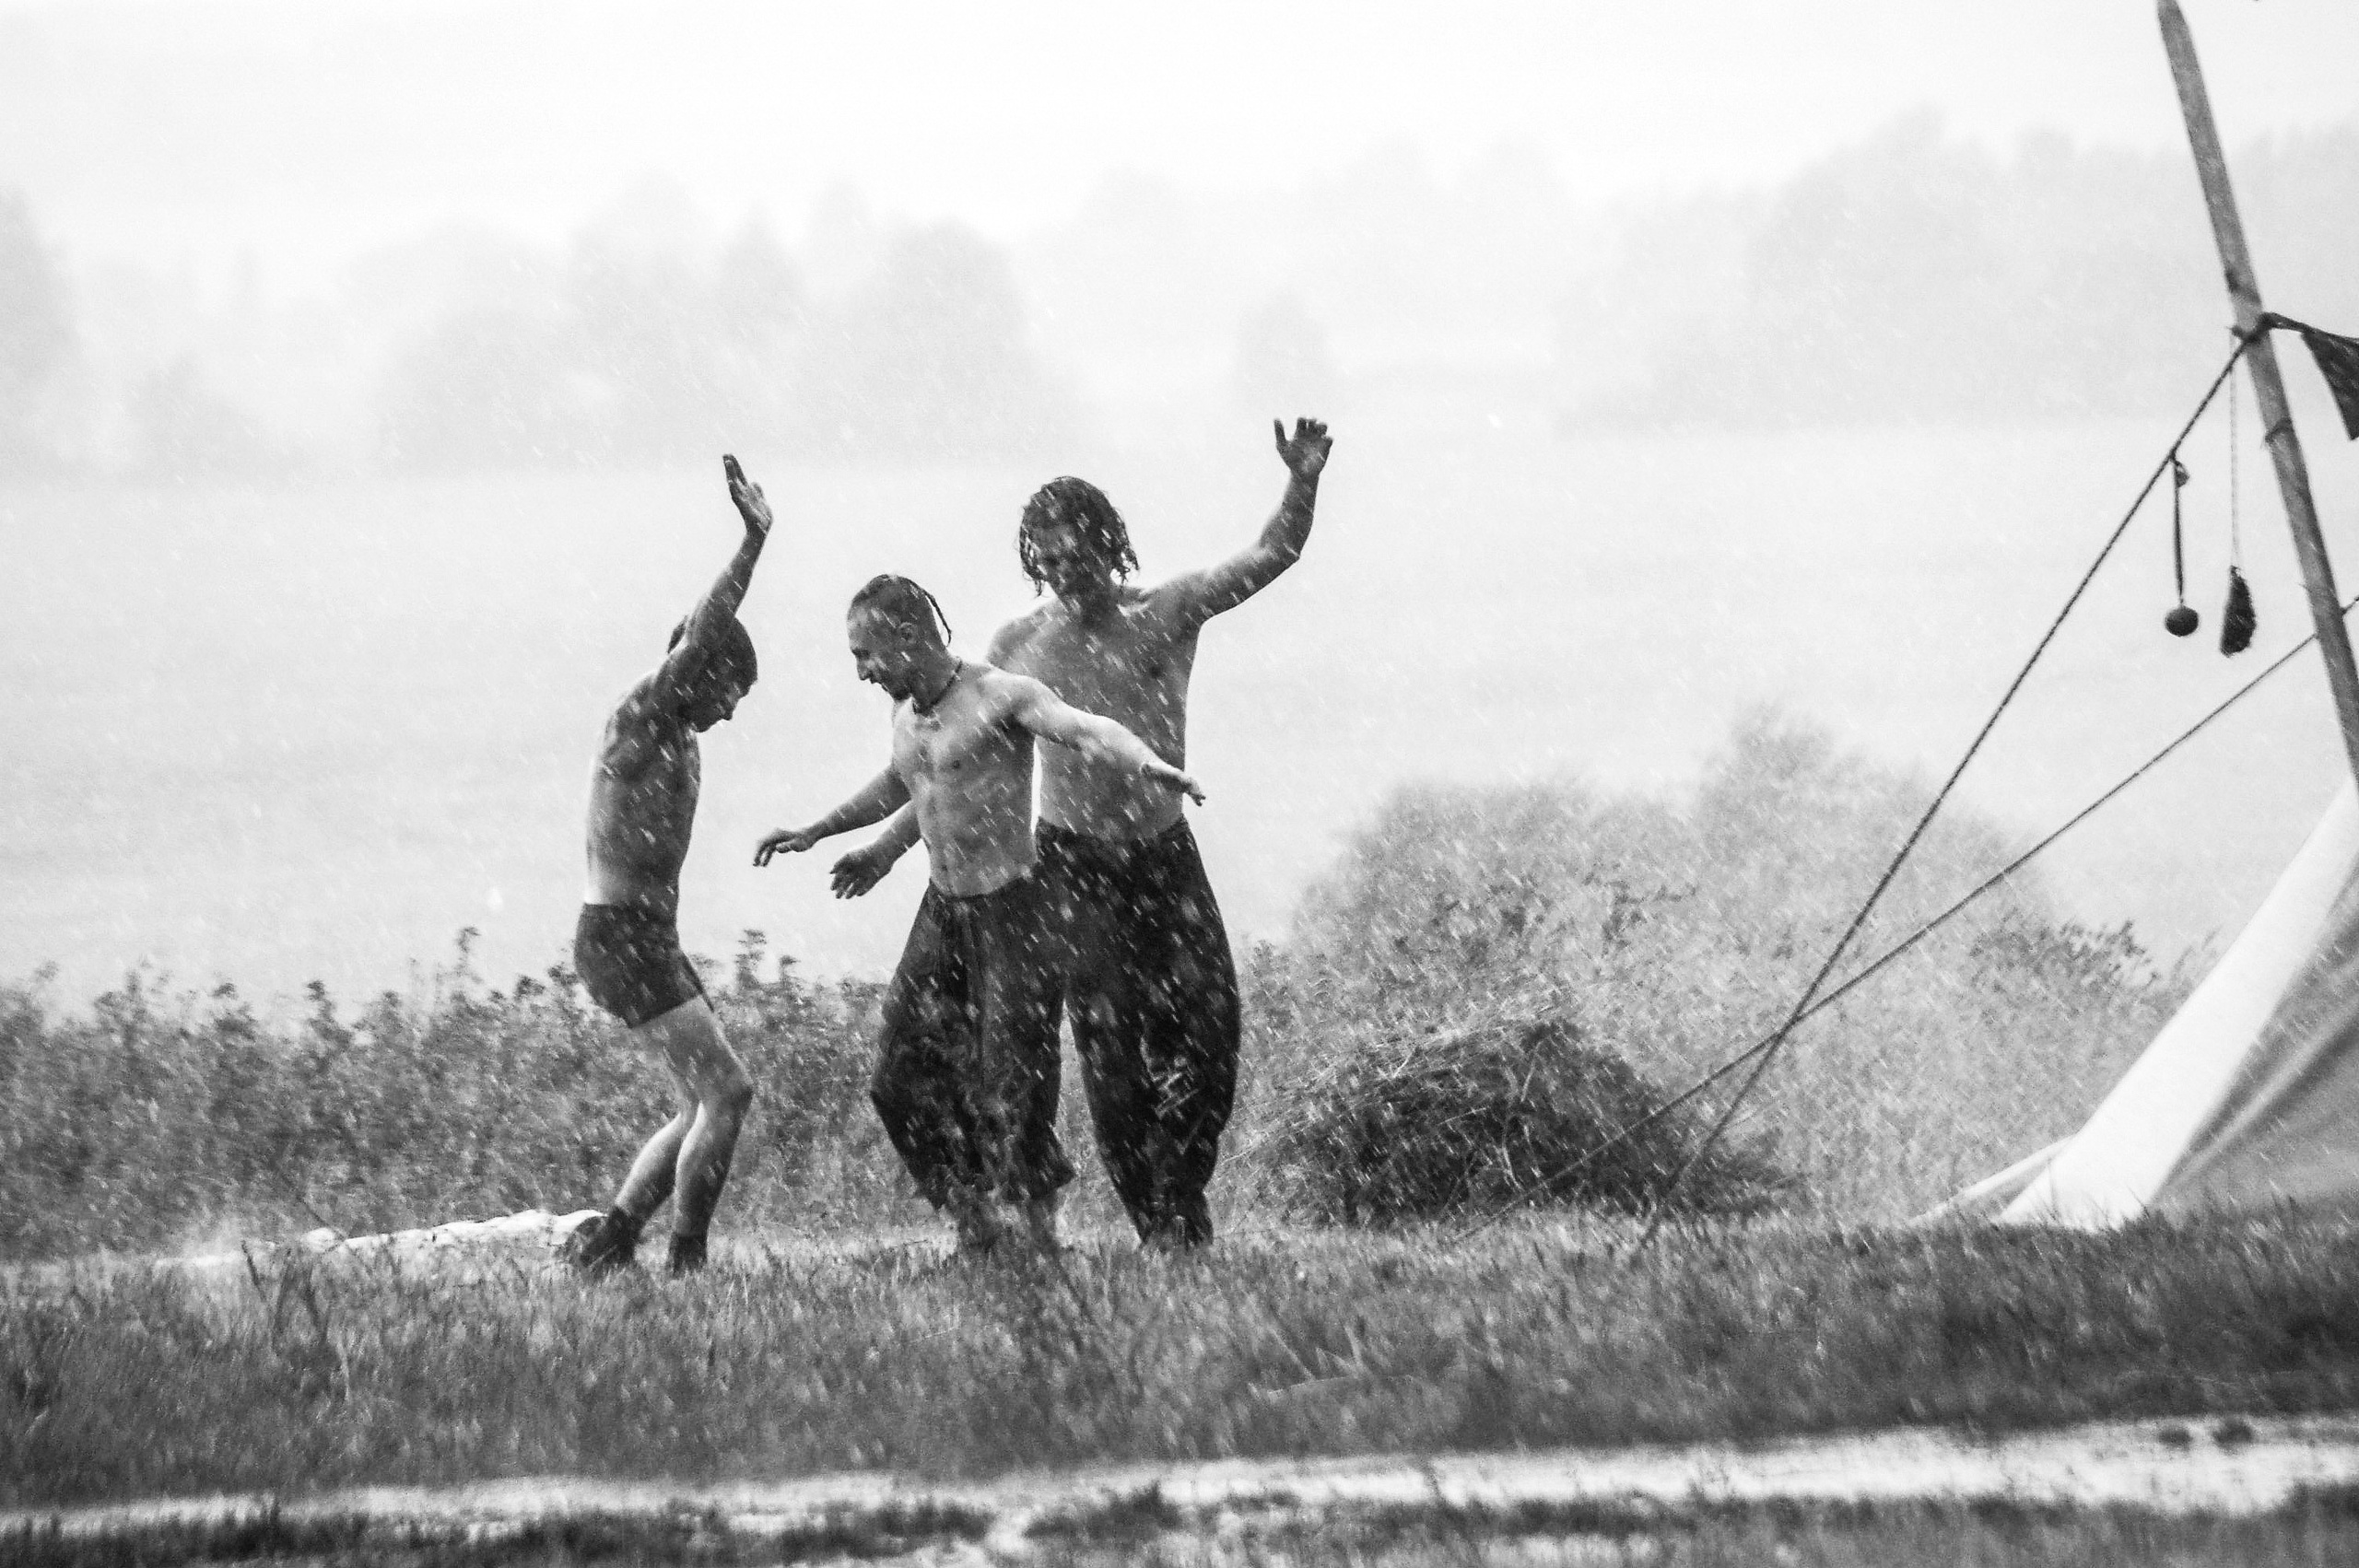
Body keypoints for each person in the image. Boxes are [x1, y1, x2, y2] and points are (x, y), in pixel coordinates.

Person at [833, 418, 1332, 1247]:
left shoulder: (1168, 610)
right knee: (1110, 1053)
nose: (1067, 575)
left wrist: (1302, 481)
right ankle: (1161, 1226)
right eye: (1050, 561)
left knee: (1210, 1031)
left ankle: (1182, 1190)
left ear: (1112, 546)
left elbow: (1272, 555)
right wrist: (888, 847)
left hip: (1164, 854)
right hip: (1072, 867)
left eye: (1079, 556)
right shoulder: (1019, 645)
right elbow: (953, 771)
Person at [756, 575, 1204, 1254]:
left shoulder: (1000, 695)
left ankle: (1034, 1232)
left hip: (1013, 912)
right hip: (943, 908)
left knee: (1012, 1079)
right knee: (899, 1075)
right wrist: (827, 833)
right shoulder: (907, 712)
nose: (861, 672)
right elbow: (904, 781)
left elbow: (1084, 729)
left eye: (866, 655)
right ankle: (974, 1216)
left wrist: (1149, 765)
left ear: (908, 637)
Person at [560, 455, 771, 1278]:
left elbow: (703, 651)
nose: (728, 710)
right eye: (728, 693)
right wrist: (752, 544)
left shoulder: (680, 737)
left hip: (646, 935)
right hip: (618, 936)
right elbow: (704, 629)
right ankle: (687, 1260)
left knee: (699, 1102)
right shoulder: (641, 720)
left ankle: (611, 1241)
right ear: (700, 668)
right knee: (730, 1093)